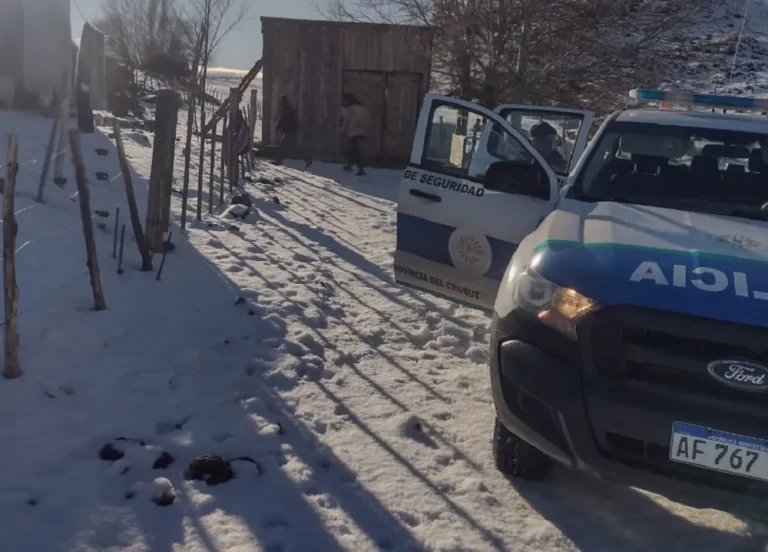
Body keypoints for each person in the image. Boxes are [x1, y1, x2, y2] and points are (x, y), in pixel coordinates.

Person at [274, 94, 312, 168]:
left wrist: (278, 126)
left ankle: (278, 161)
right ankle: (308, 159)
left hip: (289, 132)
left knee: (282, 147)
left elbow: (282, 119)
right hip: (291, 132)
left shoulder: (286, 110)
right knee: (294, 149)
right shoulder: (289, 109)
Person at [339, 93, 369, 176]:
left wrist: (340, 131)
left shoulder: (349, 108)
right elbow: (366, 119)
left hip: (354, 132)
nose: (343, 101)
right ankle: (349, 165)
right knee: (353, 149)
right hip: (360, 131)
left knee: (355, 151)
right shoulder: (361, 107)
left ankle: (360, 170)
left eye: (345, 99)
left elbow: (344, 120)